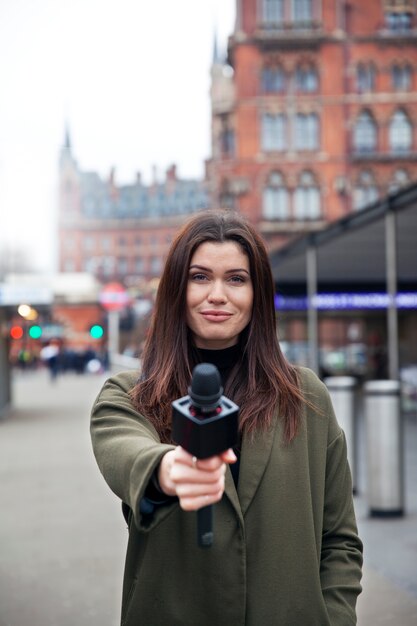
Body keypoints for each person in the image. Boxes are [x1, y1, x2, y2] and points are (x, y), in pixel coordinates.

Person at [90, 210, 363, 626]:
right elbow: (126, 452)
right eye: (200, 277)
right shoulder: (130, 395)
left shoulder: (306, 398)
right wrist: (167, 471)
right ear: (176, 290)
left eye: (236, 279)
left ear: (257, 292)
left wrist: (333, 616)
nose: (217, 294)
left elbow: (340, 540)